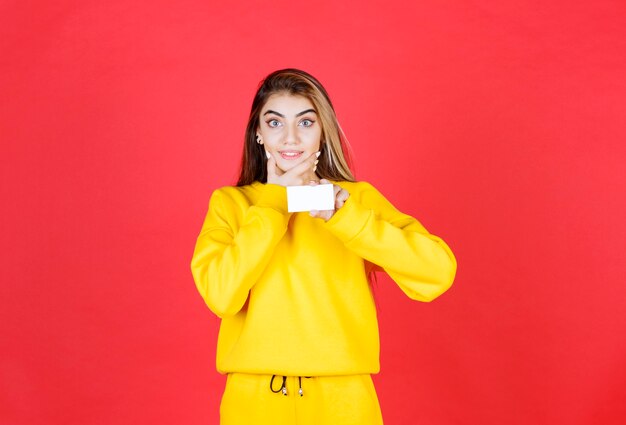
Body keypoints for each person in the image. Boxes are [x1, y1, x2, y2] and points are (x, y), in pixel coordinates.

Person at [190, 68, 457, 425]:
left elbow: (437, 273)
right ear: (257, 133)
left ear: (322, 132)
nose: (290, 138)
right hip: (254, 403)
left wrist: (346, 218)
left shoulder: (355, 201)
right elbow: (221, 296)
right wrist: (273, 203)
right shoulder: (231, 204)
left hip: (344, 402)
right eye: (274, 123)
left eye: (305, 123)